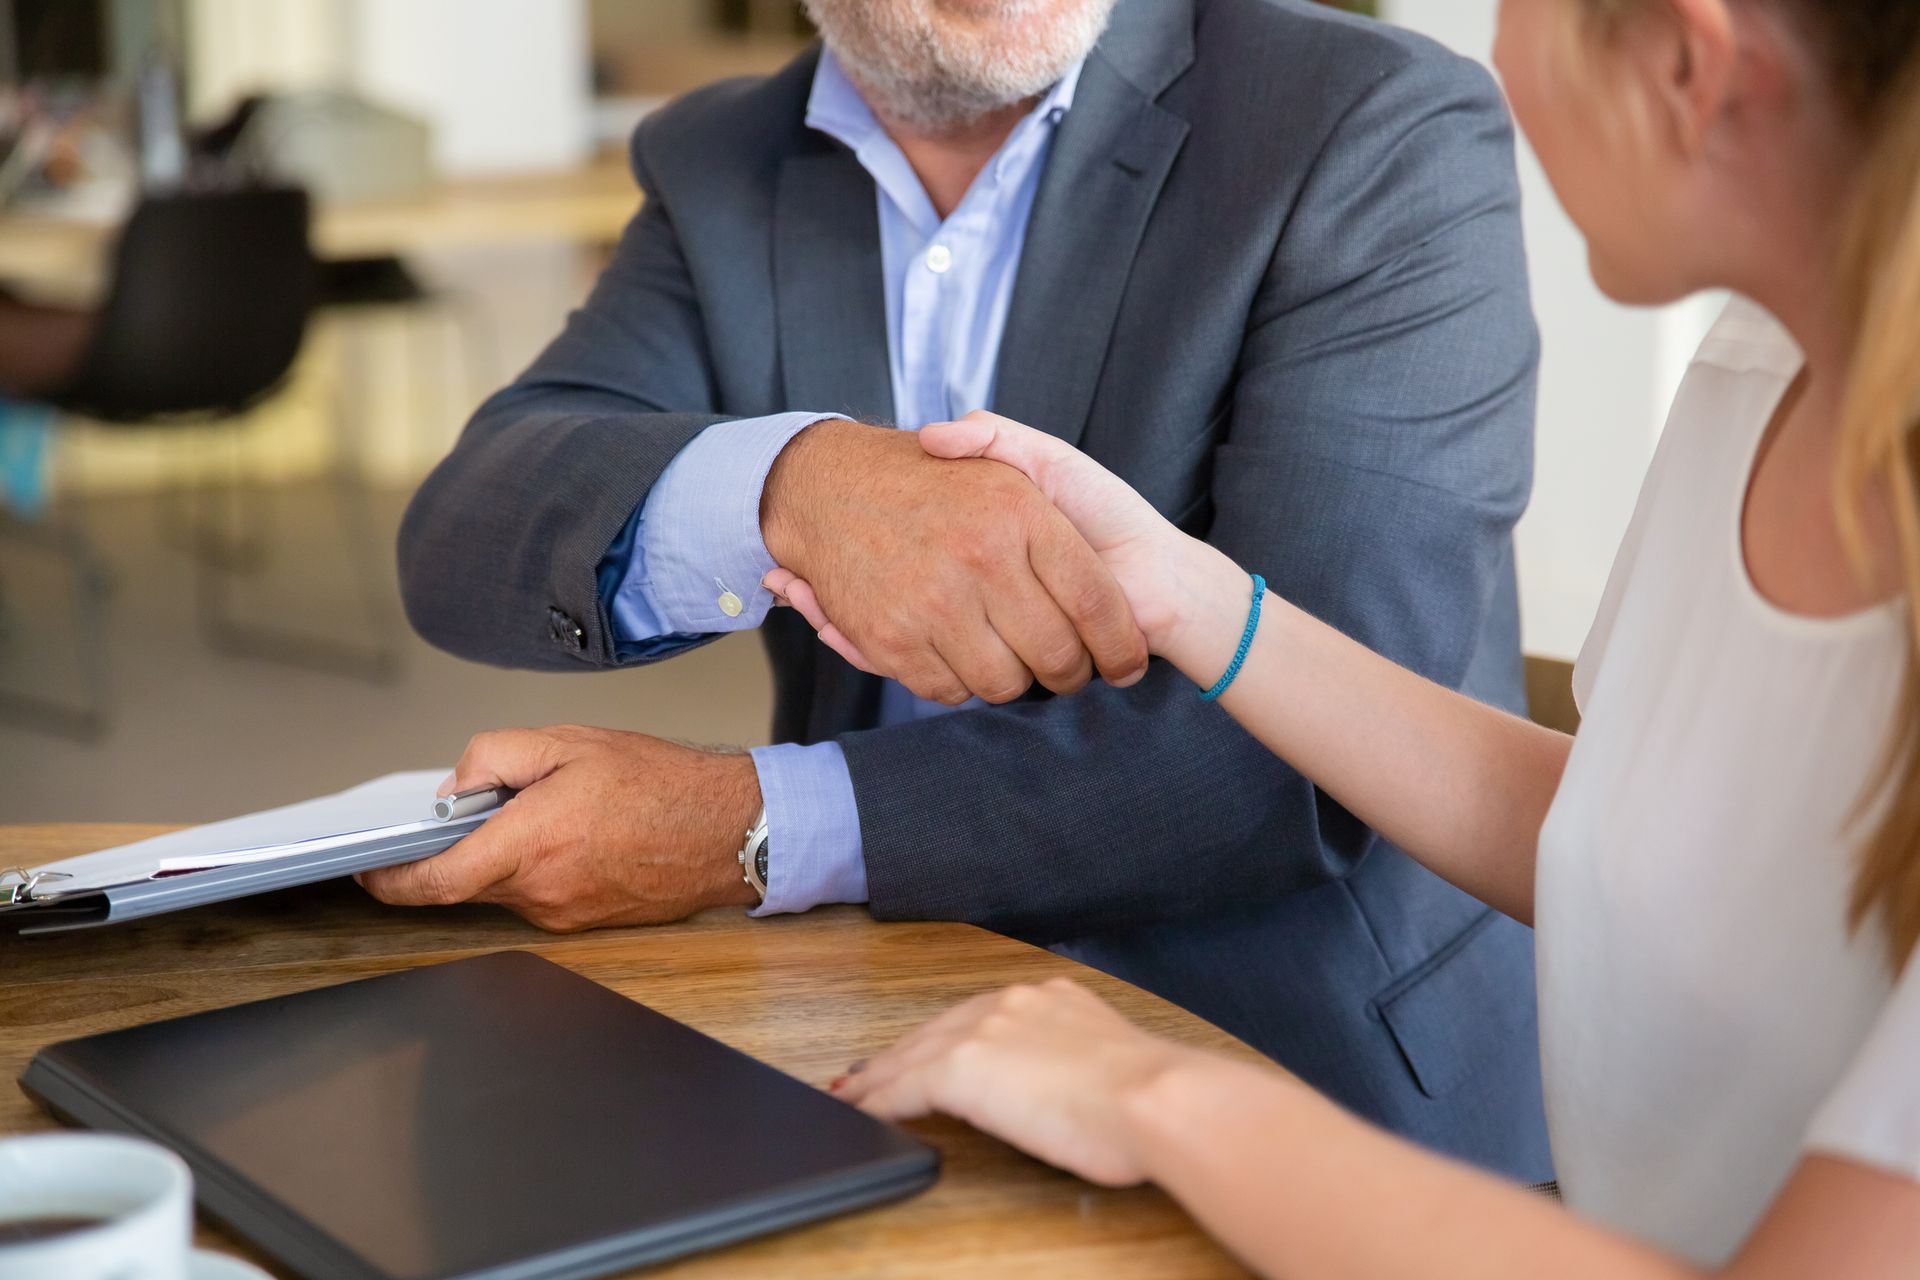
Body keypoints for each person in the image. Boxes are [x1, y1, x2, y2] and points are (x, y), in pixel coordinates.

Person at [817, 0, 1920, 1272]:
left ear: (1687, 59)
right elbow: (1647, 830)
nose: (1498, 58)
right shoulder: (1759, 379)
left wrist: (1152, 1093)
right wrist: (1184, 594)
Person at [380, 0, 1555, 1179]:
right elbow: (466, 528)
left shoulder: (1373, 127)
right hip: (870, 1028)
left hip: (1308, 1079)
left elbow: (1295, 761)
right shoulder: (722, 158)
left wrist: (747, 822)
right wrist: (791, 482)